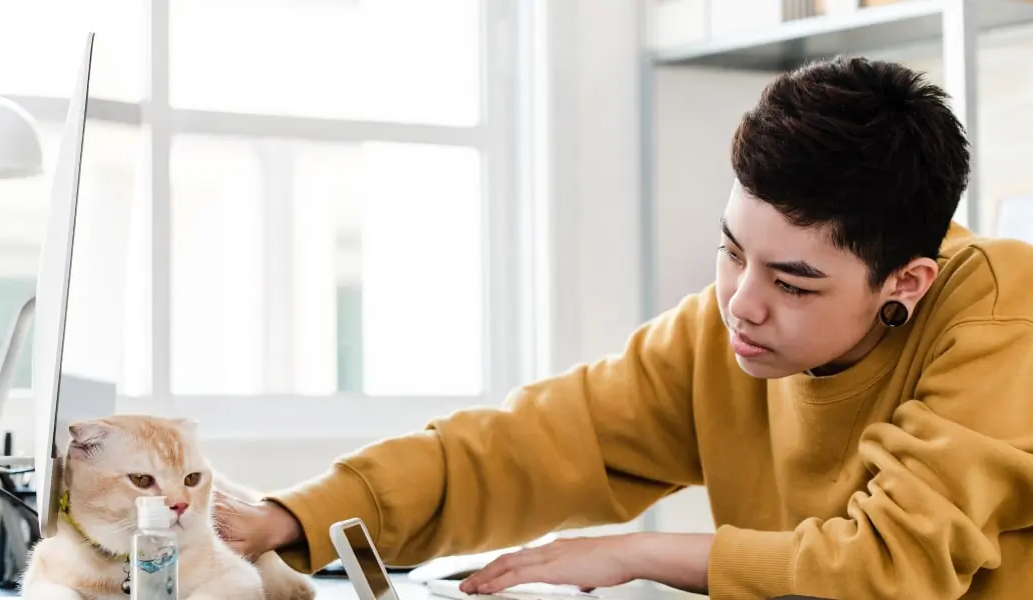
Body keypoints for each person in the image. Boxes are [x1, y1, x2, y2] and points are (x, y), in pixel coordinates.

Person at [214, 56, 1033, 599]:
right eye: (731, 251)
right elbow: (526, 445)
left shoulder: (1002, 313)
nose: (741, 302)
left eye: (792, 282)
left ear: (906, 282)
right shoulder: (722, 335)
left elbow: (892, 564)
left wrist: (636, 552)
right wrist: (298, 515)